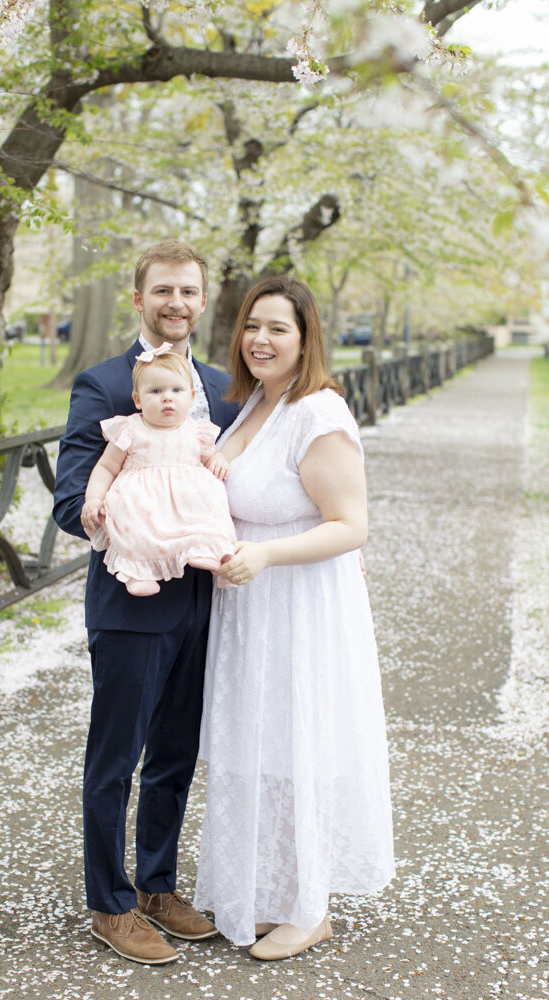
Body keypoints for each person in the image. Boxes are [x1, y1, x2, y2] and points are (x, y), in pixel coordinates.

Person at [194, 276, 395, 960]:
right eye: (252, 325)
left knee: (297, 746)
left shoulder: (317, 414)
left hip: (297, 605)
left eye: (278, 328)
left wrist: (270, 553)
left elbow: (351, 525)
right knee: (259, 751)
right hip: (248, 607)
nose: (260, 339)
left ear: (306, 338)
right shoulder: (252, 401)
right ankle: (271, 891)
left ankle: (310, 908)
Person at [52, 240, 239, 966]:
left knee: (175, 753)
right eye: (162, 291)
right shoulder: (103, 385)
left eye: (188, 292)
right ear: (139, 299)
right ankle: (111, 902)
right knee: (116, 757)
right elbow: (72, 496)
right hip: (132, 601)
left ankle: (158, 884)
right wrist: (123, 521)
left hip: (206, 598)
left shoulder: (222, 387)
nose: (176, 304)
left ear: (201, 300)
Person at [81, 344, 235, 597]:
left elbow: (211, 455)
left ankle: (206, 547)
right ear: (138, 399)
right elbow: (106, 467)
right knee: (132, 523)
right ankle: (137, 571)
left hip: (186, 500)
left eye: (177, 390)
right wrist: (93, 499)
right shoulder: (130, 429)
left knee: (211, 505)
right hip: (143, 500)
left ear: (191, 395)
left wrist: (218, 459)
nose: (167, 397)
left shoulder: (196, 430)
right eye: (156, 391)